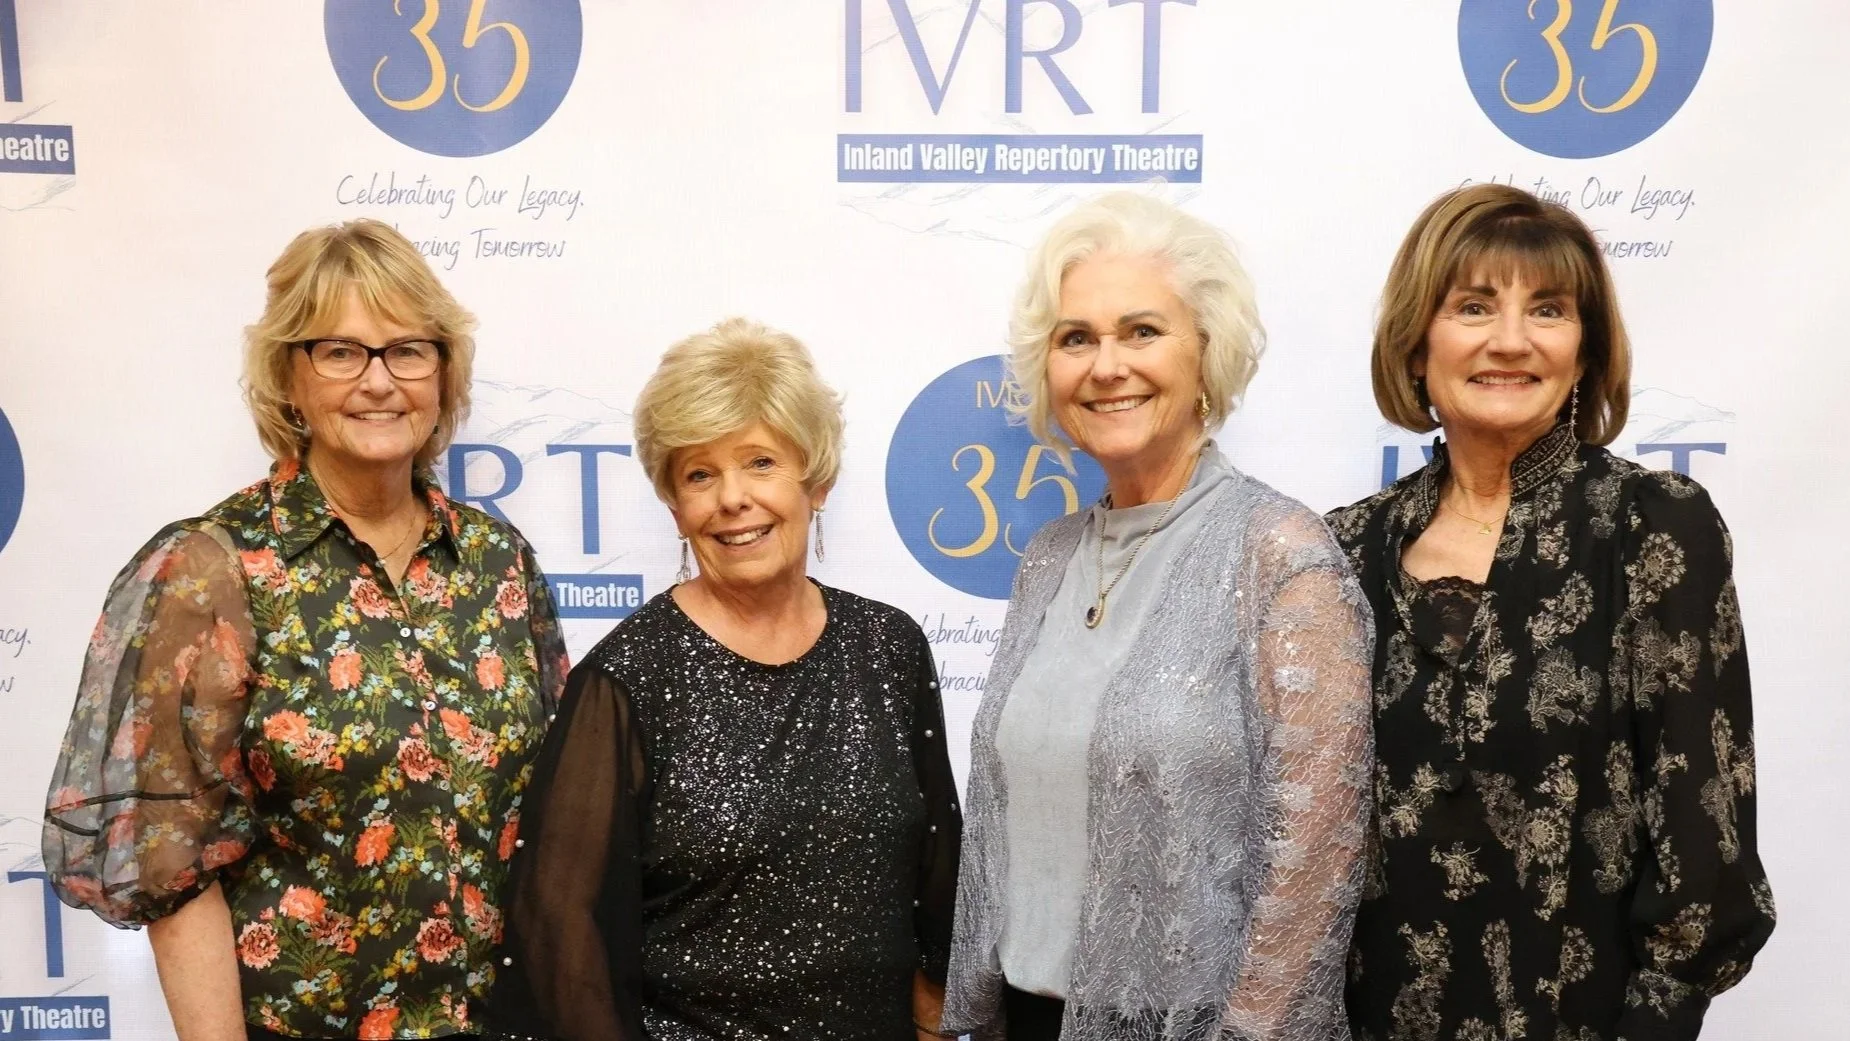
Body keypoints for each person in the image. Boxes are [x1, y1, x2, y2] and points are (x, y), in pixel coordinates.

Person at [42, 218, 568, 1041]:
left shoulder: (498, 562)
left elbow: (552, 826)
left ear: (443, 373)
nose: (378, 381)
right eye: (341, 351)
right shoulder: (211, 571)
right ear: (288, 376)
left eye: (408, 350)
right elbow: (172, 868)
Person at [1328, 183, 1775, 1040]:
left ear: (1584, 351)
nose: (1510, 340)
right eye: (1472, 306)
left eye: (1548, 309)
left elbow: (1704, 839)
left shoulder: (1654, 526)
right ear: (1417, 344)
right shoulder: (1343, 549)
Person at [940, 192, 1375, 1041]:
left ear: (1206, 351)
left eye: (1141, 331)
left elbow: (1315, 863)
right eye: (1076, 338)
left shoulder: (1281, 555)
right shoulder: (1049, 557)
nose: (1107, 365)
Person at [482, 317, 962, 1041]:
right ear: (676, 508)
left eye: (761, 462)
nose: (732, 498)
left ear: (817, 481)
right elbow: (559, 925)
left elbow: (936, 866)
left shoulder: (889, 646)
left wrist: (931, 1021)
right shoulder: (626, 678)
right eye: (699, 474)